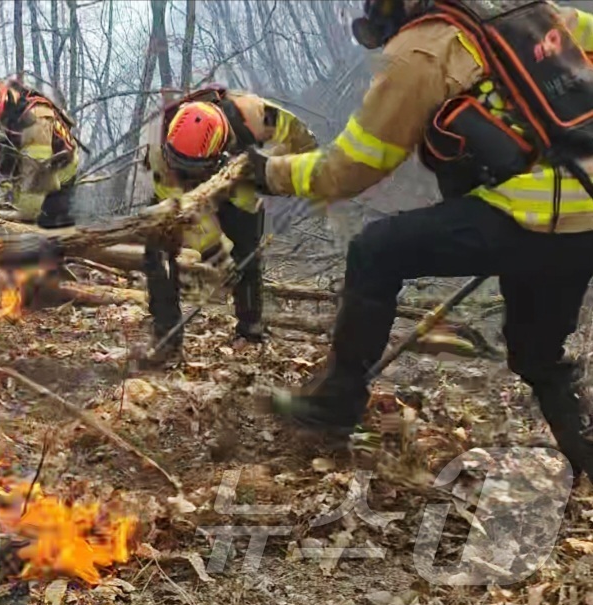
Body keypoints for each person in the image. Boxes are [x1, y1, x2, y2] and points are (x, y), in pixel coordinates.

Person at [243, 0, 593, 481]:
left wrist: (270, 173)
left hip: (531, 216)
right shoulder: (532, 11)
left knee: (375, 250)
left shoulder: (423, 49)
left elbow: (350, 167)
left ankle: (338, 400)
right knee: (537, 355)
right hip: (582, 219)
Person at [142, 87, 318, 363]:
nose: (187, 173)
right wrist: (213, 252)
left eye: (193, 169)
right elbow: (174, 215)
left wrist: (286, 180)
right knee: (158, 250)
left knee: (246, 253)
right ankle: (167, 336)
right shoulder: (161, 150)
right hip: (183, 192)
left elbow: (308, 146)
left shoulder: (255, 114)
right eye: (180, 165)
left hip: (239, 176)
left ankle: (250, 330)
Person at [0, 76, 80, 229]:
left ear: (3, 101)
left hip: (58, 168)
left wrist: (20, 214)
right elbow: (4, 167)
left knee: (47, 223)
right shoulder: (2, 121)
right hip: (29, 164)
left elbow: (38, 175)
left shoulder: (36, 120)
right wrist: (5, 198)